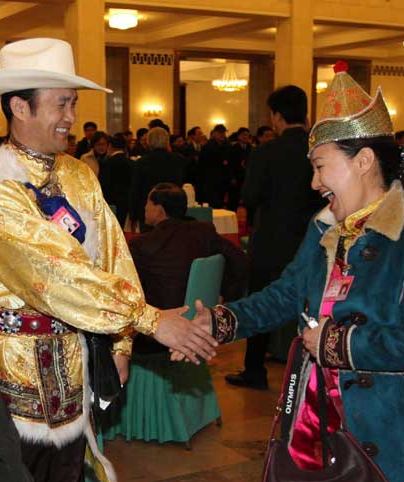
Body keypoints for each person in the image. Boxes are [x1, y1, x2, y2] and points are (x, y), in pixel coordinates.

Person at [0, 37, 216, 482]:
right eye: (59, 103)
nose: (70, 116)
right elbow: (54, 273)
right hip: (8, 373)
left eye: (72, 104)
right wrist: (149, 320)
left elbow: (113, 256)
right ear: (19, 107)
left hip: (72, 365)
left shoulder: (81, 177)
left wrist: (123, 342)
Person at [190, 61, 404, 482]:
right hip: (312, 430)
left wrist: (339, 346)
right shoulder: (326, 228)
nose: (315, 182)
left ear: (363, 161)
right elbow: (284, 295)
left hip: (383, 441)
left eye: (321, 166)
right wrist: (216, 324)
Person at [226, 85, 321, 389]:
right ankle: (309, 376)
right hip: (312, 240)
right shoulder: (319, 149)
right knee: (311, 306)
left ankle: (255, 370)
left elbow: (250, 195)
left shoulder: (266, 152)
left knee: (261, 301)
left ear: (277, 116)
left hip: (271, 241)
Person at [129, 182, 247, 355]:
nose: (144, 207)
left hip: (161, 331)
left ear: (160, 210)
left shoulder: (141, 245)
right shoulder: (203, 232)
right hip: (200, 323)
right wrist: (223, 297)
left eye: (148, 202)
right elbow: (240, 260)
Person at [129, 127, 187, 230]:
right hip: (173, 208)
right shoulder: (179, 160)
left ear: (149, 142)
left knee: (149, 238)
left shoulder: (141, 162)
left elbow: (136, 189)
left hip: (149, 210)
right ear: (167, 141)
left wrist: (133, 216)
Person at [98, 133, 133, 227]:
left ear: (110, 146)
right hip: (126, 202)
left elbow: (103, 185)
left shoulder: (106, 163)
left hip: (110, 203)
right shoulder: (130, 162)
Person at [197, 123, 233, 208]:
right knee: (212, 203)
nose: (222, 135)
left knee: (220, 202)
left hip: (223, 179)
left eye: (223, 133)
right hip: (210, 180)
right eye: (220, 133)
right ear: (214, 133)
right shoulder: (208, 147)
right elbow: (202, 165)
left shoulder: (227, 145)